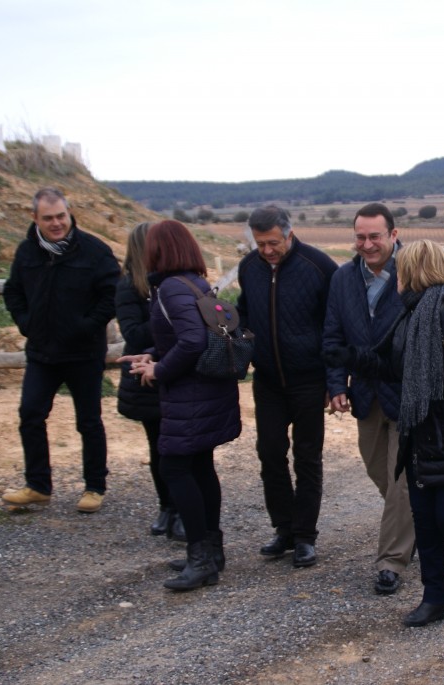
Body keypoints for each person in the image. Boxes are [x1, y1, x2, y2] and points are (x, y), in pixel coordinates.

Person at [325, 239, 444, 627]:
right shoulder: (412, 315)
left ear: (415, 272)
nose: (397, 277)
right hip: (424, 436)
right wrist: (353, 359)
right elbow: (397, 369)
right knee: (424, 519)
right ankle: (434, 598)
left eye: (402, 269)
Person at [118, 220, 241, 591]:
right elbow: (189, 336)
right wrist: (151, 354)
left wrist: (158, 370)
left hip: (190, 396)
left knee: (174, 467)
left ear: (160, 249)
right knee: (200, 466)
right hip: (206, 392)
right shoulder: (194, 283)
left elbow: (190, 343)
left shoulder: (171, 288)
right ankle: (211, 551)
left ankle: (200, 557)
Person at [1, 188, 120, 513]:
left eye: (61, 217)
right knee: (30, 414)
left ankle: (95, 487)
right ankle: (38, 486)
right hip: (42, 352)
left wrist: (87, 326)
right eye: (48, 218)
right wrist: (26, 322)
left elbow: (112, 294)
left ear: (69, 214)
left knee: (89, 421)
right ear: (35, 218)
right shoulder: (27, 252)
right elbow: (12, 291)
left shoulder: (94, 251)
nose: (56, 224)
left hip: (84, 353)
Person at [237, 205, 338, 569]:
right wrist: (241, 341)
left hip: (309, 379)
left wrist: (333, 379)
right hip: (267, 380)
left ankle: (305, 537)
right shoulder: (249, 268)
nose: (267, 250)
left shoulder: (319, 267)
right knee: (270, 454)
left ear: (289, 234)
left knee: (307, 458)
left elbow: (334, 325)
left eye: (273, 243)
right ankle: (283, 529)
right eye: (261, 243)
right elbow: (244, 311)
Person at [323, 203, 415, 595]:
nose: (367, 244)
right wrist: (335, 384)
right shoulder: (342, 279)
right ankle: (419, 523)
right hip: (365, 393)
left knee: (401, 481)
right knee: (380, 471)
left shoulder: (415, 274)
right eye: (360, 237)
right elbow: (332, 336)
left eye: (375, 236)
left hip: (409, 392)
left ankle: (391, 561)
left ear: (393, 235)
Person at [115, 222, 184, 541]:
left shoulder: (174, 283)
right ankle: (167, 506)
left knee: (182, 448)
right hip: (146, 377)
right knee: (158, 446)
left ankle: (184, 509)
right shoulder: (130, 286)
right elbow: (133, 333)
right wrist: (167, 327)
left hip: (173, 370)